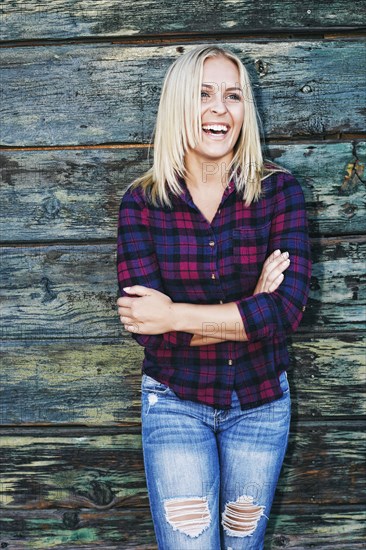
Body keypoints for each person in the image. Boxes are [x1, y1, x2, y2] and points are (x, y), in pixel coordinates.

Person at [116, 45, 312, 550]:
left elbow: (285, 311)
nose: (220, 110)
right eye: (204, 95)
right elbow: (145, 325)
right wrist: (252, 306)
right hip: (175, 403)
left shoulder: (281, 193)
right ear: (178, 105)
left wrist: (174, 315)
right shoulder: (142, 203)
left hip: (261, 405)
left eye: (233, 95)